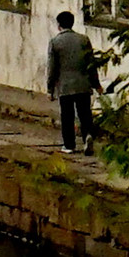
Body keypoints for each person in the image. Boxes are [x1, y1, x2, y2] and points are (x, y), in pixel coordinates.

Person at [47, 9, 98, 153]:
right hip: (83, 84)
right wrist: (96, 84)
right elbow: (91, 64)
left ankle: (69, 145)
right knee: (85, 113)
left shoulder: (55, 42)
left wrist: (50, 89)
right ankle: (88, 135)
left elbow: (52, 68)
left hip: (65, 86)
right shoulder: (84, 40)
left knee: (67, 116)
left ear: (59, 25)